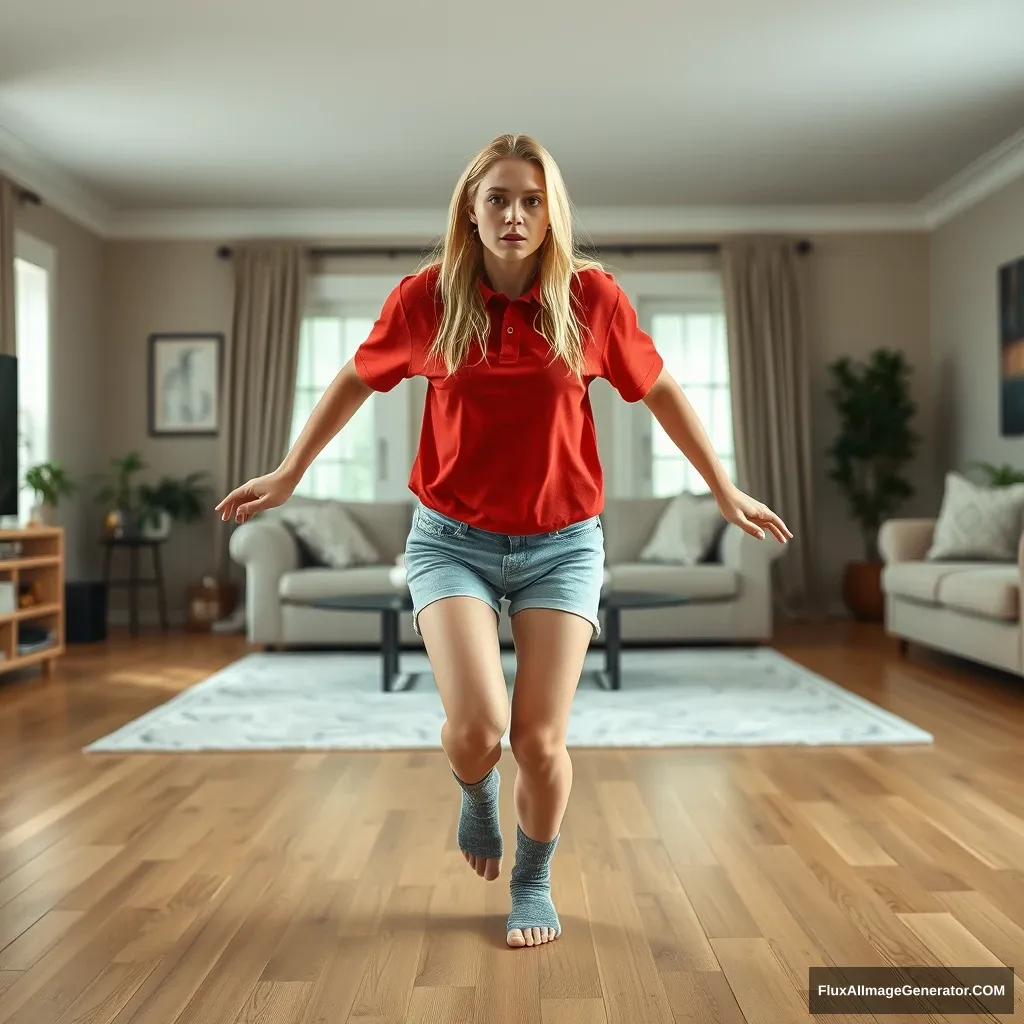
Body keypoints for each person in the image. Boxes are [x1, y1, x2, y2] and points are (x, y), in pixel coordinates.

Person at [215, 133, 793, 949]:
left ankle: (532, 880)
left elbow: (659, 390)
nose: (515, 215)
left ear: (551, 212)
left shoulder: (592, 298)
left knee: (540, 740)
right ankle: (475, 792)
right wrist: (289, 472)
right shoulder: (427, 299)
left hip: (565, 544)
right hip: (450, 540)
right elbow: (354, 378)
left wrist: (724, 489)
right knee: (478, 730)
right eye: (498, 199)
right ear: (471, 211)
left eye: (531, 200)